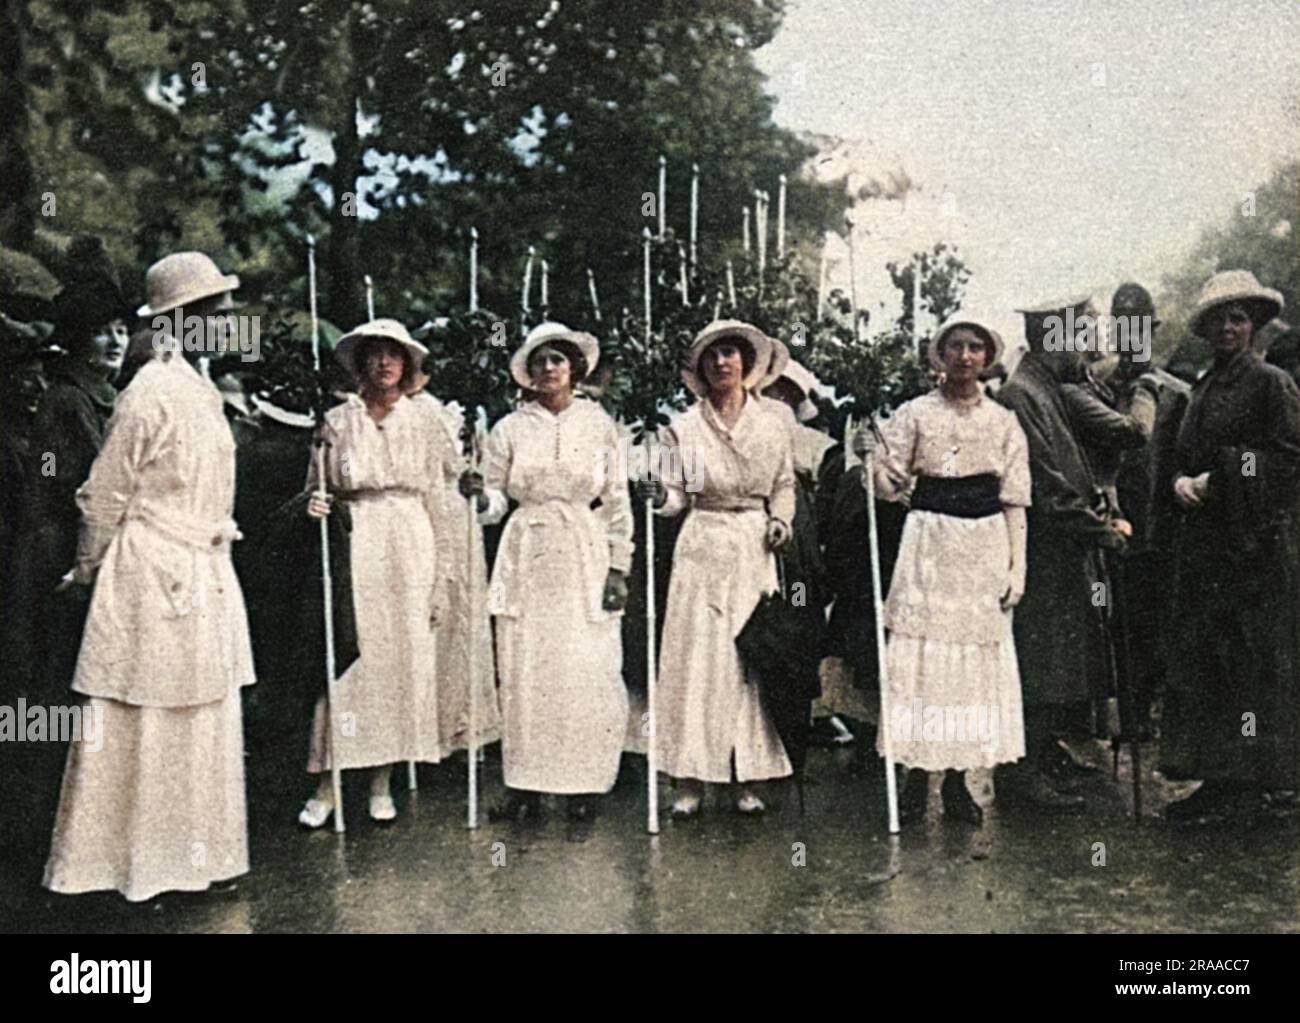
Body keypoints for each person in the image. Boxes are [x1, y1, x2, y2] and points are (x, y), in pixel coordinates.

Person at [43, 251, 256, 901]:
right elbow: (102, 493)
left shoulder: (201, 388)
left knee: (199, 719)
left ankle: (196, 859)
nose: (223, 322)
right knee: (146, 720)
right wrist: (87, 569)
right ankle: (128, 869)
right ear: (180, 320)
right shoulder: (149, 390)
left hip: (202, 564)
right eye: (211, 312)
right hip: (149, 570)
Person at [854, 316, 1030, 824]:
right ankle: (914, 775)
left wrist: (1017, 568)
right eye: (957, 346)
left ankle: (957, 781)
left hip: (983, 545)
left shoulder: (1003, 421)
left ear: (987, 357)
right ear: (941, 354)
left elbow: (1016, 500)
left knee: (969, 667)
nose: (966, 356)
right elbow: (888, 484)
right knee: (922, 661)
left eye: (976, 347)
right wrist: (870, 462)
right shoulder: (915, 414)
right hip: (929, 541)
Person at [460, 322, 632, 823]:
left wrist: (618, 566)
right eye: (539, 361)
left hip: (583, 548)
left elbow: (616, 500)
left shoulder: (599, 424)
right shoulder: (510, 428)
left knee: (585, 666)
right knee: (525, 666)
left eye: (558, 359)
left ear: (575, 368)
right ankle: (525, 785)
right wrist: (477, 494)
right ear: (528, 372)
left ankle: (583, 784)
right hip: (528, 549)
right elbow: (493, 501)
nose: (549, 368)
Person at [298, 319, 456, 826]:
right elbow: (313, 487)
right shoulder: (336, 421)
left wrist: (441, 578)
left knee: (399, 660)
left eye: (395, 355)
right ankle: (329, 783)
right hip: (356, 536)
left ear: (407, 365)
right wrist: (316, 503)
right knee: (350, 655)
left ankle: (382, 780)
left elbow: (437, 498)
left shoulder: (425, 421)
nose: (385, 363)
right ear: (360, 363)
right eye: (375, 354)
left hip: (410, 539)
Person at [636, 320, 795, 818]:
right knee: (697, 659)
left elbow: (784, 484)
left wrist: (781, 522)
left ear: (747, 364)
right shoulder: (681, 427)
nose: (723, 362)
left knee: (748, 657)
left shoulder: (774, 421)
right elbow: (676, 497)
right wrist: (658, 495)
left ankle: (747, 775)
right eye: (713, 356)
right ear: (701, 368)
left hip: (752, 541)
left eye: (731, 353)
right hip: (702, 542)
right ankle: (691, 778)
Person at [1160, 271, 1300, 821]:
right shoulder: (1203, 387)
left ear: (1254, 326)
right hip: (1205, 549)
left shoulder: (1270, 384)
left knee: (1250, 662)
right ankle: (1219, 776)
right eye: (1218, 319)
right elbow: (1178, 454)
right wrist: (1177, 481)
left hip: (1254, 548)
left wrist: (1222, 478)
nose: (1228, 328)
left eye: (1238, 318)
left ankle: (1256, 782)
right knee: (1209, 661)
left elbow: (1288, 457)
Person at [996, 296, 1129, 812]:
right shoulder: (1021, 395)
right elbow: (1045, 486)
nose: (1087, 349)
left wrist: (1101, 511)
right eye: (1078, 337)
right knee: (1044, 656)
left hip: (1065, 545)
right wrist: (1098, 530)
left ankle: (1042, 751)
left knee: (1064, 655)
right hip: (1045, 549)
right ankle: (1020, 773)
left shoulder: (1048, 391)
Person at [411, 386, 501, 765]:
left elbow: (493, 486)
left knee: (464, 619)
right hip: (418, 514)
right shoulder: (404, 409)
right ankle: (421, 734)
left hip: (461, 517)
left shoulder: (469, 413)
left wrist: (479, 497)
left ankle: (467, 727)